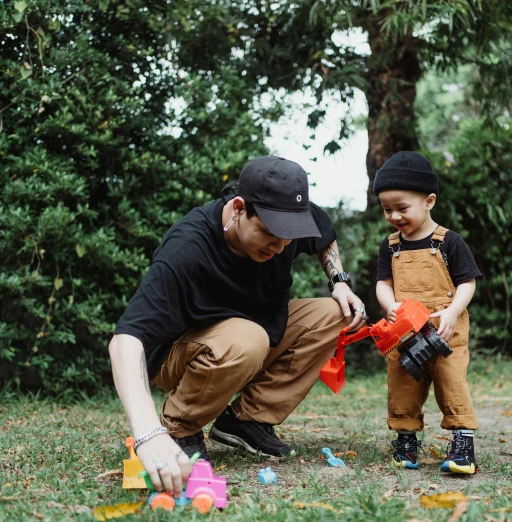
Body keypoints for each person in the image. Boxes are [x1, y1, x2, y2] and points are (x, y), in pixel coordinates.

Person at [108, 156, 367, 496]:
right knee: (248, 338)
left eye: (288, 239)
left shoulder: (286, 218)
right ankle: (178, 428)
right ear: (239, 208)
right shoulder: (187, 248)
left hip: (250, 334)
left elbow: (322, 232)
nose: (279, 248)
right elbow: (125, 341)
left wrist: (340, 282)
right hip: (181, 351)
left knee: (335, 314)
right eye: (270, 235)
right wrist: (148, 432)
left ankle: (246, 422)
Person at [373, 151, 481, 474]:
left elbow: (468, 283)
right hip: (405, 333)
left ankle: (463, 447)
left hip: (445, 331)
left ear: (429, 201)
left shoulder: (448, 242)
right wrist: (390, 305)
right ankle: (406, 443)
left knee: (452, 384)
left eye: (401, 208)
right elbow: (383, 284)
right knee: (402, 384)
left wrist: (452, 312)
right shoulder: (391, 246)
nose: (394, 216)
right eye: (386, 209)